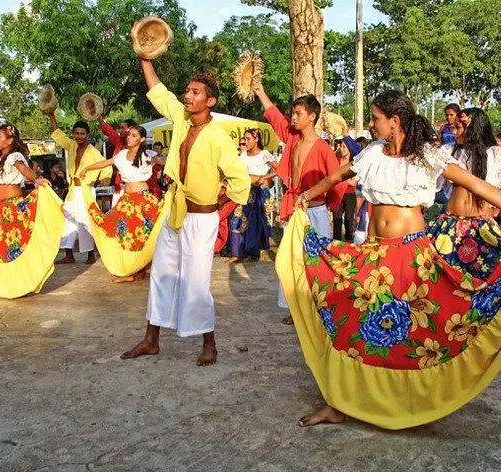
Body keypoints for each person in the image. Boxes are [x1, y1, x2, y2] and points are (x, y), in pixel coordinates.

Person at [277, 90, 501, 429]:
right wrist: (306, 196)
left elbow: (479, 186)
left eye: (375, 118)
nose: (372, 125)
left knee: (414, 337)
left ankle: (410, 405)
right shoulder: (372, 152)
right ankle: (337, 403)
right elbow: (335, 178)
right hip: (372, 255)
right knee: (350, 329)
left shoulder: (427, 155)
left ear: (395, 121)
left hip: (412, 255)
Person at [120, 56, 250, 366]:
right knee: (162, 274)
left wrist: (217, 204)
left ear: (210, 100)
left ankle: (210, 343)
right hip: (175, 212)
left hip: (202, 219)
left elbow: (240, 181)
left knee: (195, 281)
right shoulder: (180, 117)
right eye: (187, 91)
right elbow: (157, 88)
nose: (187, 96)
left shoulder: (218, 137)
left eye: (195, 92)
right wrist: (143, 59)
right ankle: (152, 339)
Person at [255, 82, 344, 325]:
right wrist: (260, 90)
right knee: (290, 259)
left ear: (312, 117)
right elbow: (274, 116)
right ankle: (295, 307)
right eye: (293, 113)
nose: (293, 117)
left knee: (316, 261)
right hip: (294, 208)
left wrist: (333, 209)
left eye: (298, 113)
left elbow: (337, 181)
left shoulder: (324, 149)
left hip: (314, 211)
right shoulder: (292, 138)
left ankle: (320, 308)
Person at [429, 108, 501, 282]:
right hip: (450, 226)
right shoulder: (448, 151)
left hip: (483, 228)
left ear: (474, 127)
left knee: (484, 281)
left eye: (460, 126)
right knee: (442, 282)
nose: (454, 130)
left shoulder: (495, 154)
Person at [0, 124, 64, 298]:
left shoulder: (14, 156)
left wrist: (37, 179)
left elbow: (24, 169)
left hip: (12, 208)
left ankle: (17, 285)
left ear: (10, 140)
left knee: (13, 248)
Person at [79, 125, 167, 283]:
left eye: (133, 135)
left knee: (142, 236)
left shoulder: (148, 154)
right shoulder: (122, 155)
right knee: (114, 228)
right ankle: (132, 270)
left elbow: (162, 159)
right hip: (127, 200)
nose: (129, 137)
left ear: (141, 139)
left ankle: (137, 272)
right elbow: (106, 163)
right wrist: (87, 168)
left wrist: (163, 161)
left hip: (143, 200)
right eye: (129, 135)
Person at [47, 114, 110, 265]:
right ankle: (69, 254)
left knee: (85, 222)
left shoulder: (93, 152)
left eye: (82, 133)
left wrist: (95, 183)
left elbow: (107, 168)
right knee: (67, 220)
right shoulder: (72, 145)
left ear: (88, 134)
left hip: (85, 190)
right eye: (76, 133)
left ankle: (90, 255)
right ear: (73, 134)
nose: (79, 136)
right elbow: (57, 134)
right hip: (73, 190)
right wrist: (51, 116)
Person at [226, 128, 278, 264]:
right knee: (236, 220)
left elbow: (280, 169)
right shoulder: (243, 155)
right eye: (245, 139)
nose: (246, 142)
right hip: (243, 191)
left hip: (259, 194)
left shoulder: (265, 154)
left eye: (249, 139)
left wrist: (265, 177)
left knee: (254, 222)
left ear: (256, 139)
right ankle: (237, 253)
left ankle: (253, 253)